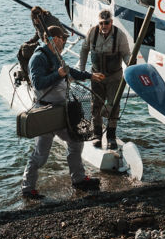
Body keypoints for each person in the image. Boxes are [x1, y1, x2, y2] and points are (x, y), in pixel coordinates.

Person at [21, 25, 106, 199]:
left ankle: (79, 179)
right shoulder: (38, 58)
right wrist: (58, 74)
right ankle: (27, 188)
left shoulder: (56, 55)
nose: (64, 41)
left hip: (61, 110)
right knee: (41, 155)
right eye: (62, 38)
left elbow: (69, 71)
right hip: (46, 112)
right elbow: (38, 83)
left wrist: (90, 76)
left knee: (76, 142)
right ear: (52, 39)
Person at [77, 9, 131, 150]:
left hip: (114, 77)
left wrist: (131, 65)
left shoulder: (120, 35)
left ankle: (111, 136)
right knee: (96, 106)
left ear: (111, 22)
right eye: (101, 23)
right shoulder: (92, 33)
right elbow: (84, 50)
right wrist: (82, 71)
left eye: (106, 23)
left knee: (113, 106)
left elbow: (126, 55)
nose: (104, 26)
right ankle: (97, 135)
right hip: (96, 76)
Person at [17, 6, 63, 85]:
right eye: (35, 19)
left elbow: (60, 36)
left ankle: (32, 77)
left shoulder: (50, 21)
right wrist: (32, 40)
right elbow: (38, 32)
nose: (36, 21)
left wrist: (57, 49)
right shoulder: (35, 20)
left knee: (26, 51)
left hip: (53, 45)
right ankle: (27, 74)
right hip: (44, 44)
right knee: (21, 50)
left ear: (42, 15)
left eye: (38, 19)